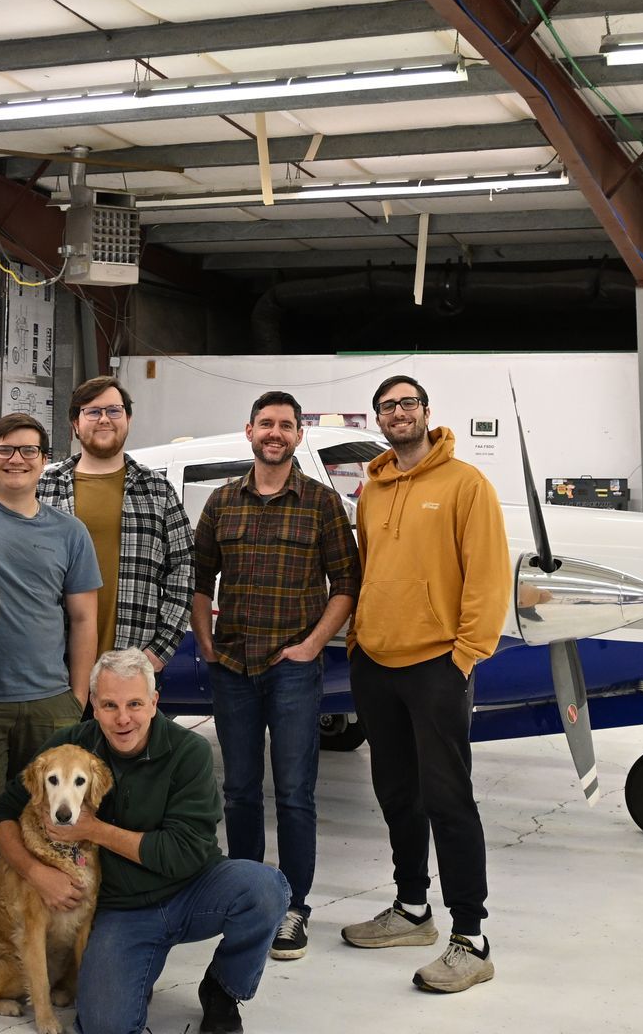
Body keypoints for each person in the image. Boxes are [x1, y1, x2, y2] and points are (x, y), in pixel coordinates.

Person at [0, 649, 289, 1034]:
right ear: (94, 707)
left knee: (265, 889)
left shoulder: (189, 753)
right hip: (122, 912)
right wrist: (34, 872)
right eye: (110, 705)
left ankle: (222, 989)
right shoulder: (70, 749)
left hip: (193, 890)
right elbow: (2, 814)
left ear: (154, 703)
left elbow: (182, 853)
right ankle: (134, 974)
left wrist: (94, 830)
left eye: (134, 703)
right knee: (105, 1025)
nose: (123, 718)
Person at [339, 375, 509, 995]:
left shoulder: (466, 485)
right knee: (396, 793)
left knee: (449, 800)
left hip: (437, 664)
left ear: (427, 413)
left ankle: (472, 939)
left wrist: (465, 656)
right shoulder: (372, 489)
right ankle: (412, 910)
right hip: (376, 663)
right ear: (378, 419)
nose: (398, 413)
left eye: (408, 403)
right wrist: (358, 639)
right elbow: (367, 571)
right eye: (387, 406)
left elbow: (489, 577)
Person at [191, 390, 360, 961]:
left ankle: (293, 907)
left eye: (286, 425)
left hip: (292, 669)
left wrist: (313, 645)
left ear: (298, 437)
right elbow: (199, 578)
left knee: (294, 794)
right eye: (266, 423)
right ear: (249, 431)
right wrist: (207, 641)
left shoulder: (320, 504)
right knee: (238, 792)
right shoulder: (221, 503)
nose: (275, 433)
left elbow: (347, 584)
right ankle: (246, 897)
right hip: (234, 667)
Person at [0, 412, 101, 912]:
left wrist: (76, 698)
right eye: (5, 449)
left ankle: (48, 924)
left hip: (50, 705)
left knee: (56, 826)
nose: (16, 459)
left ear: (45, 461)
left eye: (28, 451)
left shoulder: (70, 532)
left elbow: (84, 619)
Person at [37, 377, 192, 673]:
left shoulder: (157, 490)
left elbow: (182, 571)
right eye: (93, 412)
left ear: (128, 419)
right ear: (75, 424)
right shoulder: (45, 487)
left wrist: (158, 652)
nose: (104, 419)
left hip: (132, 666)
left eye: (114, 411)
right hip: (53, 666)